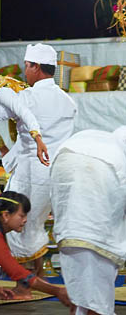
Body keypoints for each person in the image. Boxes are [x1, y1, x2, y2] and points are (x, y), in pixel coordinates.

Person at [0, 43, 77, 290]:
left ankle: (24, 287)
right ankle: (37, 280)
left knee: (20, 225)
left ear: (36, 67)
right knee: (35, 224)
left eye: (27, 65)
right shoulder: (68, 100)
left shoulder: (26, 97)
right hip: (56, 172)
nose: (24, 71)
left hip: (31, 173)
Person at [50, 126, 126, 315]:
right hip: (100, 184)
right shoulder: (114, 152)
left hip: (64, 163)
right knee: (96, 294)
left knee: (81, 289)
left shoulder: (94, 139)